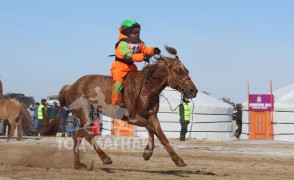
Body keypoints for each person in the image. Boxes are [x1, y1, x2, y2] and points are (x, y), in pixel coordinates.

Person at [110, 19, 161, 107]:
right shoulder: (122, 44)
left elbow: (145, 50)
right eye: (134, 32)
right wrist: (143, 57)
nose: (136, 34)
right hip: (120, 67)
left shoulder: (139, 43)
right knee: (119, 81)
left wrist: (153, 50)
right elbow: (128, 57)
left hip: (132, 67)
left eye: (138, 31)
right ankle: (116, 102)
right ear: (126, 32)